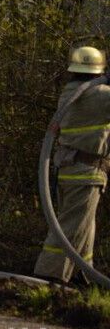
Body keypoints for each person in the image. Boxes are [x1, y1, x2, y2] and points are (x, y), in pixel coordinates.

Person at [34, 47, 110, 284]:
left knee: (84, 230)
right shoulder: (96, 96)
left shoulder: (71, 92)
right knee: (69, 230)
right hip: (84, 173)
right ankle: (46, 278)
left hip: (72, 171)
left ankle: (83, 277)